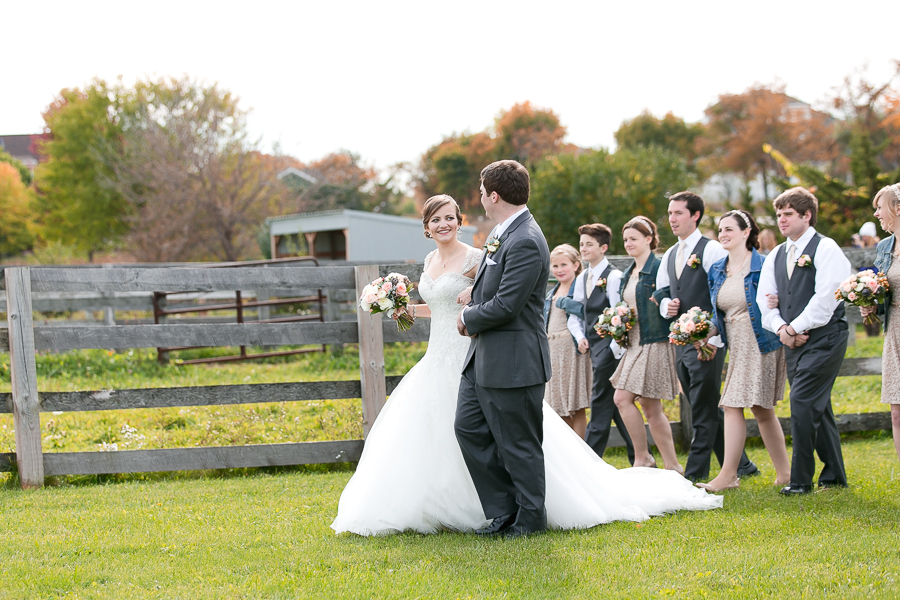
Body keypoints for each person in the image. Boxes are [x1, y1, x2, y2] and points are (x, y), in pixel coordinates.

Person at [332, 191, 723, 537]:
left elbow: (490, 299)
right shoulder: (431, 259)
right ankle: (472, 506)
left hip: (477, 350)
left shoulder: (476, 257)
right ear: (426, 227)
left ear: (460, 220)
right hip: (439, 354)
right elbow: (438, 307)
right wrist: (396, 306)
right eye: (436, 219)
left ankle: (516, 510)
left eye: (450, 216)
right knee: (454, 430)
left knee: (507, 435)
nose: (444, 223)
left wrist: (471, 309)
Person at [653, 191, 758, 483]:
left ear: (695, 215)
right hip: (680, 342)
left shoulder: (711, 249)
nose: (672, 219)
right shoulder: (671, 254)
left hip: (707, 341)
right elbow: (661, 291)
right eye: (670, 213)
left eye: (678, 213)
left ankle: (694, 473)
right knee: (704, 403)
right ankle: (742, 466)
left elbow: (723, 291)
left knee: (701, 408)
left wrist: (712, 337)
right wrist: (666, 305)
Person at [757, 187, 851, 495]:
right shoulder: (776, 255)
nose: (781, 220)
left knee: (802, 403)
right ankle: (835, 476)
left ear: (806, 215)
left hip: (826, 338)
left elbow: (826, 299)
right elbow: (764, 302)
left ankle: (799, 481)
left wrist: (792, 327)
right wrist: (782, 328)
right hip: (793, 341)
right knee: (818, 407)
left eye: (788, 214)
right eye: (779, 214)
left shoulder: (826, 249)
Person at [696, 210, 791, 492]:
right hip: (736, 345)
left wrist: (778, 300)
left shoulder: (765, 265)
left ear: (746, 231)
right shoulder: (717, 269)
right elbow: (719, 314)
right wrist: (706, 336)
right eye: (720, 229)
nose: (723, 234)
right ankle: (785, 473)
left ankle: (728, 476)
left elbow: (783, 297)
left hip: (761, 340)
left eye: (729, 229)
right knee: (761, 409)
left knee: (733, 404)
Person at [611, 216, 682, 472]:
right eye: (625, 239)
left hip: (654, 339)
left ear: (649, 239)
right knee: (650, 407)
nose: (628, 243)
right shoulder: (628, 273)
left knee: (622, 398)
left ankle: (644, 458)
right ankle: (670, 465)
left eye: (634, 239)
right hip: (634, 342)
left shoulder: (659, 267)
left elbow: (671, 298)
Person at [568, 223, 638, 463]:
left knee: (599, 402)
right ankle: (640, 456)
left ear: (603, 248)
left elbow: (620, 314)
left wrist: (612, 350)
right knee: (617, 406)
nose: (584, 249)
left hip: (610, 350)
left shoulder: (614, 277)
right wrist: (580, 337)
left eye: (589, 244)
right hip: (592, 349)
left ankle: (590, 460)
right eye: (581, 244)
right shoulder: (583, 277)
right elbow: (576, 314)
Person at [861, 183, 900, 462]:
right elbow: (883, 286)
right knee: (897, 410)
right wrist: (870, 302)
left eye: (880, 207)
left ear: (898, 208)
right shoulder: (885, 247)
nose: (876, 214)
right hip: (895, 328)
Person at [543, 244, 592, 436]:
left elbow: (586, 313)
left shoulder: (579, 288)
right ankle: (569, 450)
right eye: (555, 266)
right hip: (553, 351)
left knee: (575, 403)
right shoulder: (551, 293)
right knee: (556, 404)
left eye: (564, 265)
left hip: (572, 350)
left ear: (576, 265)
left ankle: (582, 451)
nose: (559, 270)